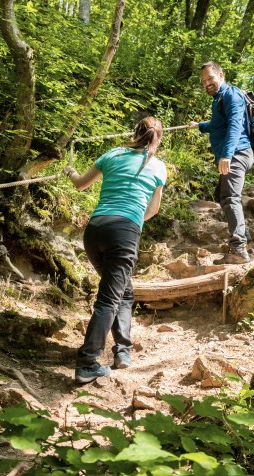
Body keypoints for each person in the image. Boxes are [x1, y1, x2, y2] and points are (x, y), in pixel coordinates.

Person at [63, 117, 167, 383]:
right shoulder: (157, 166)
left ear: (135, 133)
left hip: (95, 230)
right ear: (159, 139)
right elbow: (152, 210)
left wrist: (69, 171)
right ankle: (87, 362)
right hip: (124, 232)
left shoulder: (113, 154)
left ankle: (122, 350)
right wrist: (128, 224)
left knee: (124, 291)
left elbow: (80, 183)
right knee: (110, 298)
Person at [189, 61, 254, 264]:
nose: (207, 83)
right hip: (234, 153)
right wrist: (199, 126)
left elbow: (235, 124)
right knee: (221, 195)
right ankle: (244, 237)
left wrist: (227, 155)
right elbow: (218, 125)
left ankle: (238, 249)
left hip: (237, 153)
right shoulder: (218, 99)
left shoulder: (230, 94)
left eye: (210, 78)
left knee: (230, 197)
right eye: (203, 81)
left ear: (221, 75)